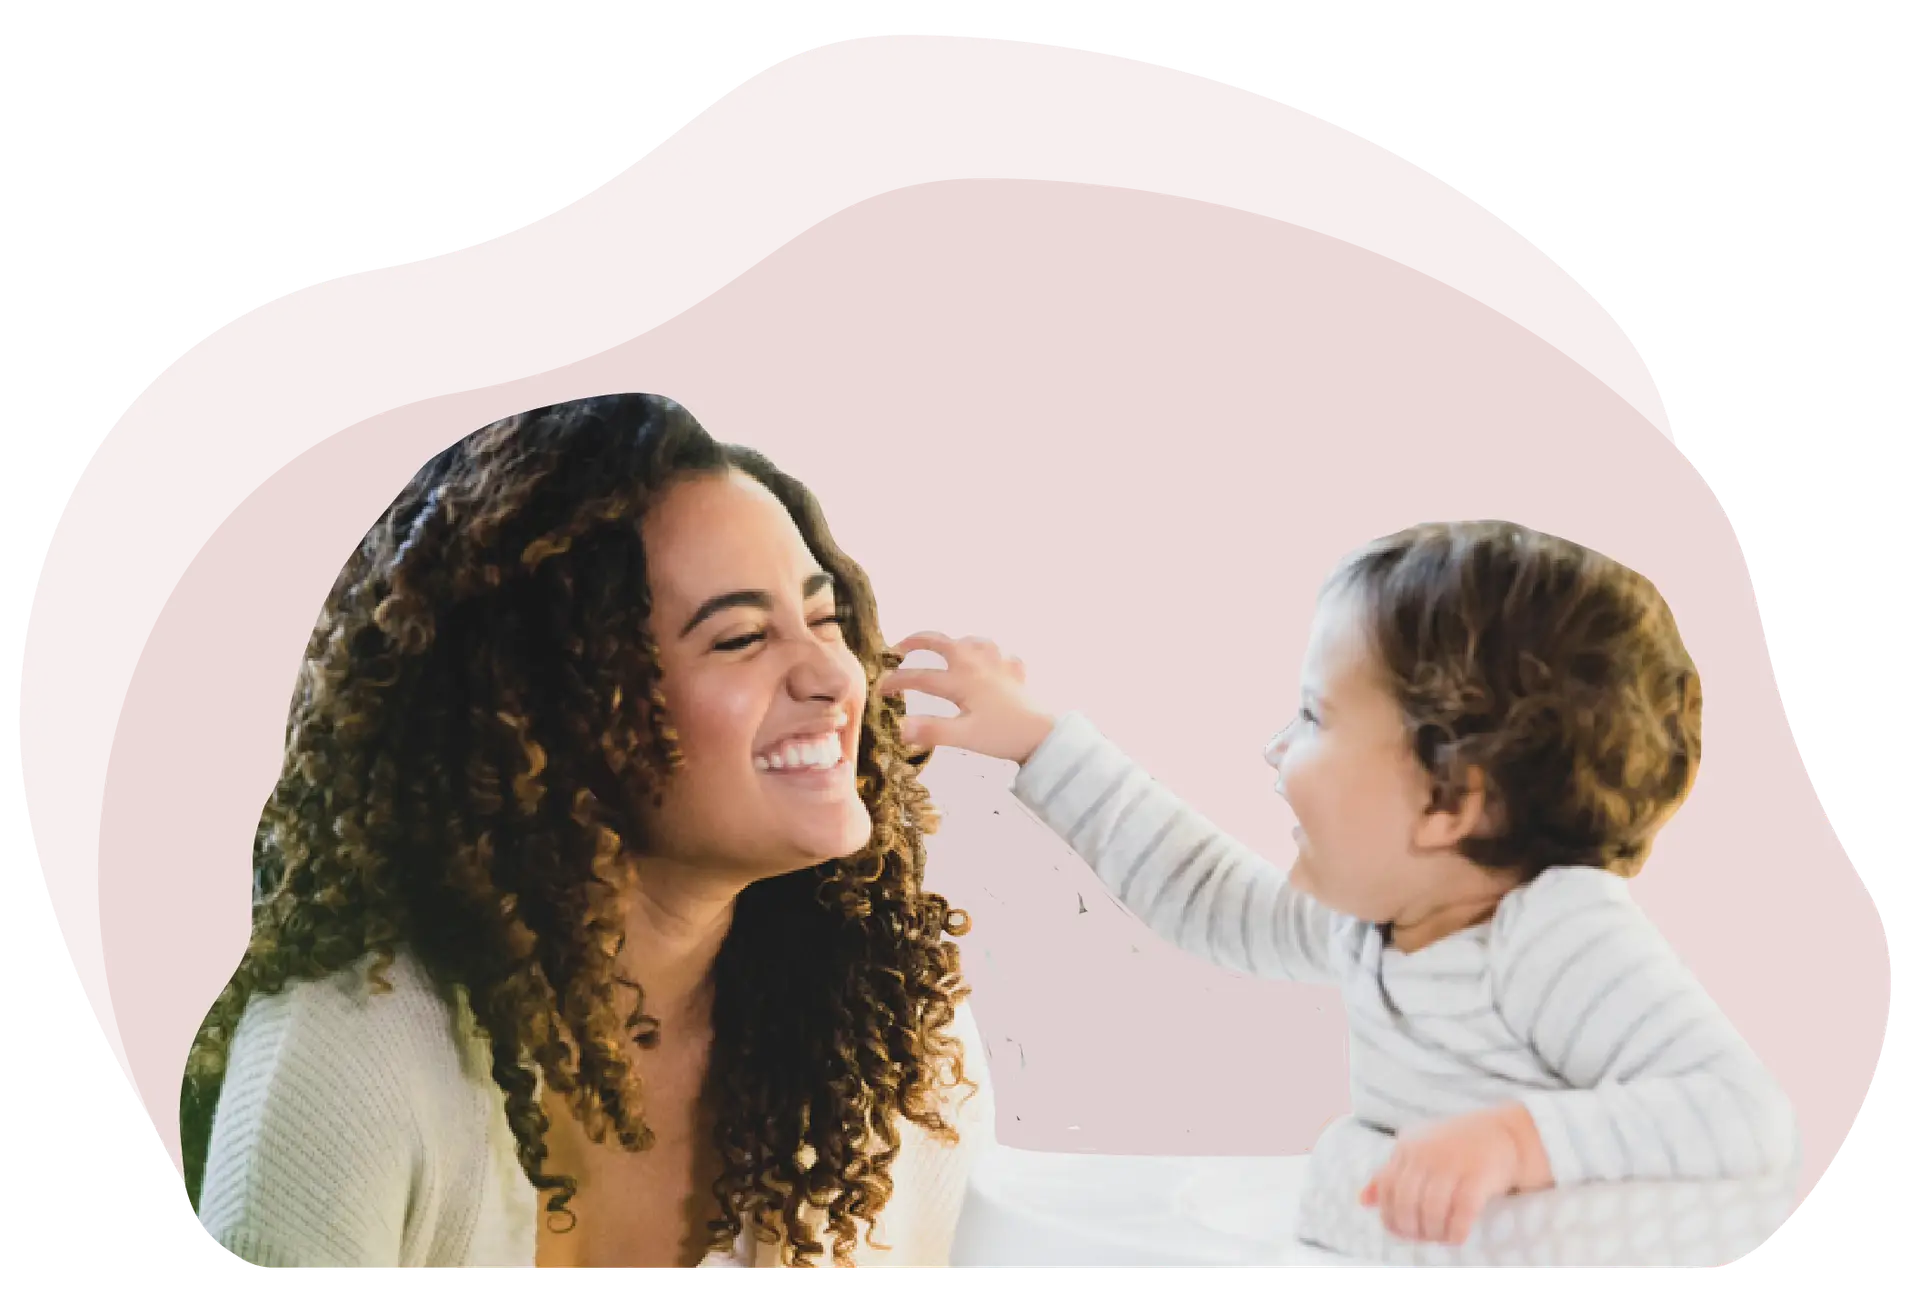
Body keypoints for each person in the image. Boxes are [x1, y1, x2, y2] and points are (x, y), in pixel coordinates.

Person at [181, 393, 993, 1271]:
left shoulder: (895, 1032)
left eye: (825, 619)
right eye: (741, 637)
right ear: (548, 713)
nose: (835, 675)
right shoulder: (347, 1052)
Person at [879, 522, 1799, 1265]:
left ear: (1449, 798)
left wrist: (1515, 1142)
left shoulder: (1555, 931)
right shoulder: (1383, 923)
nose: (1277, 750)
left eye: (1316, 717)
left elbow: (1738, 1110)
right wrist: (1041, 742)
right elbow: (1207, 896)